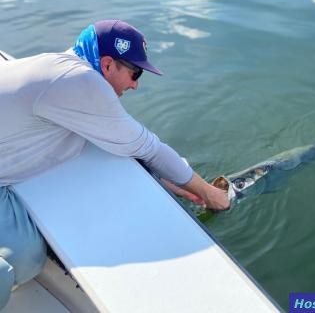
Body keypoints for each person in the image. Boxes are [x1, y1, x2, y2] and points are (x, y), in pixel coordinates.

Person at [0, 19, 229, 309]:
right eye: (135, 74)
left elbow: (116, 136)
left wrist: (169, 180)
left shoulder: (59, 66)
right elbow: (150, 146)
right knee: (25, 256)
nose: (135, 85)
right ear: (107, 65)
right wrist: (209, 193)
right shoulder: (83, 82)